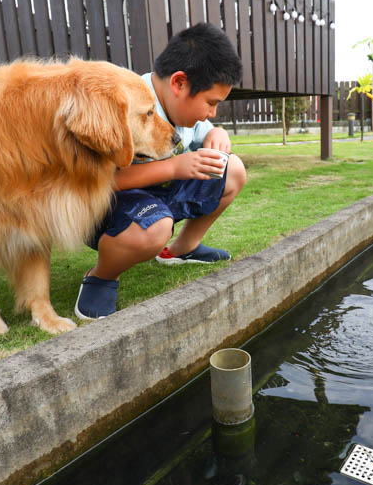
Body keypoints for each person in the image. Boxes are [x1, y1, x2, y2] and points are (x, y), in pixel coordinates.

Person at [74, 23, 247, 320]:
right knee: (155, 227)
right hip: (110, 209)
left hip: (159, 196)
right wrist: (173, 167)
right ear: (179, 83)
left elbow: (207, 131)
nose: (211, 113)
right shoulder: (126, 105)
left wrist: (216, 133)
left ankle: (182, 249)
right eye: (211, 103)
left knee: (232, 169)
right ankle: (102, 275)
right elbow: (96, 182)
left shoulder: (179, 108)